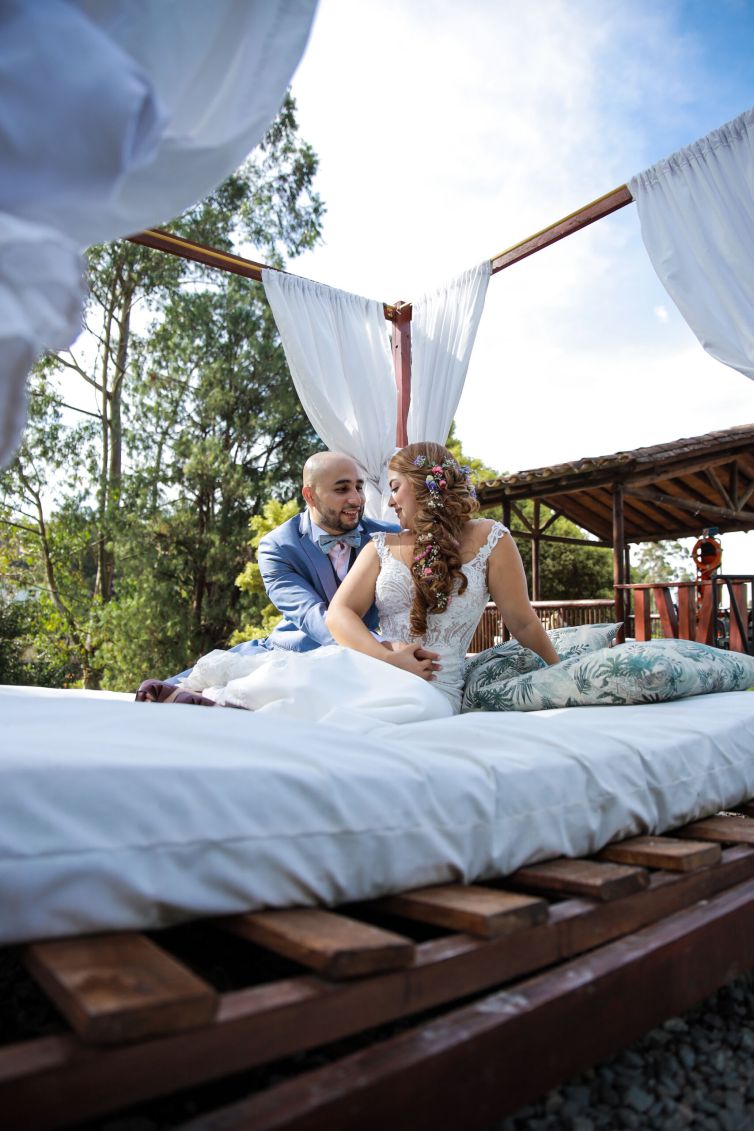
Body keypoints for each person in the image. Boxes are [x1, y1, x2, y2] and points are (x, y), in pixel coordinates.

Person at [166, 441, 557, 723]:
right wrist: (387, 656)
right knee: (304, 686)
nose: (385, 502)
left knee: (397, 711)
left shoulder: (492, 538)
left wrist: (560, 669)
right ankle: (212, 706)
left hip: (433, 686)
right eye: (345, 488)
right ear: (310, 495)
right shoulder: (380, 545)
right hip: (367, 661)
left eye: (393, 488)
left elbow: (521, 623)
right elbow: (334, 615)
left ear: (424, 487)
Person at [165, 450, 403, 684]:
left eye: (359, 487)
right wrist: (384, 651)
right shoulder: (277, 546)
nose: (356, 499)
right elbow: (313, 616)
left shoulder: (389, 537)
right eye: (342, 489)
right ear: (310, 496)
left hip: (372, 662)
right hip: (293, 657)